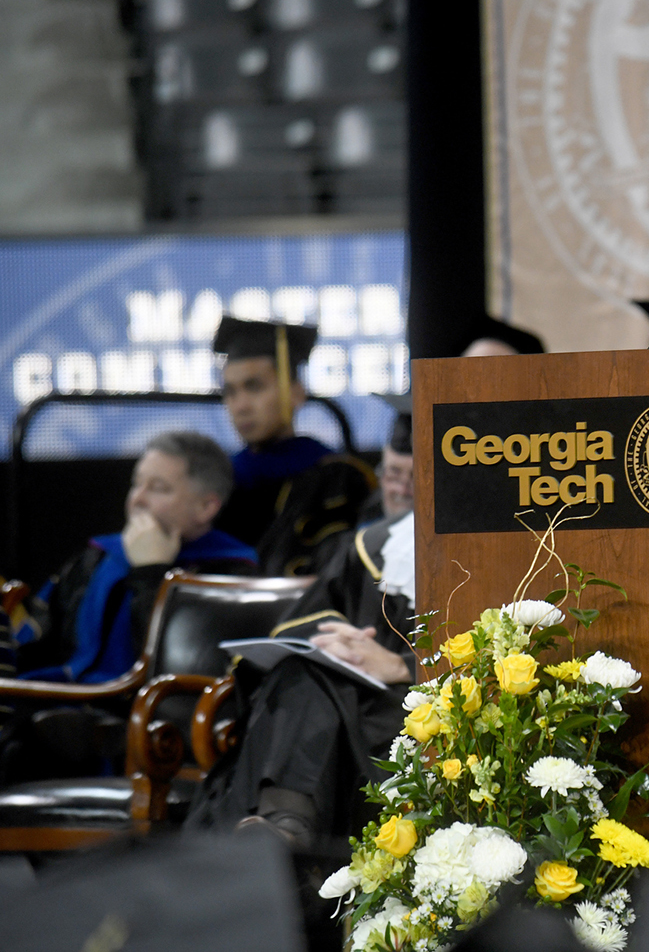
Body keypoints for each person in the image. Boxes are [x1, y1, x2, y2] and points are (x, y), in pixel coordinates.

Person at [1, 432, 258, 780]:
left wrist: (151, 574)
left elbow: (176, 673)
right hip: (61, 701)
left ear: (206, 507)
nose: (138, 499)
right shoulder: (97, 558)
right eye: (137, 484)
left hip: (144, 725)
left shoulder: (232, 575)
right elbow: (37, 640)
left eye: (159, 488)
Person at [185, 508, 415, 845]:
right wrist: (338, 646)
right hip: (344, 702)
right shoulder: (379, 545)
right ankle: (286, 828)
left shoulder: (504, 546)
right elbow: (306, 622)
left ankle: (280, 833)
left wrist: (403, 665)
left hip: (413, 712)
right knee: (301, 670)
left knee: (307, 699)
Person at [210, 317, 374, 576]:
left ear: (296, 392)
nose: (240, 406)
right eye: (230, 392)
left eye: (254, 387)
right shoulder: (218, 480)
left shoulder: (336, 479)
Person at [360, 394, 414, 525]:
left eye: (415, 478)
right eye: (393, 476)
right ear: (381, 478)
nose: (402, 490)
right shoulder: (363, 531)